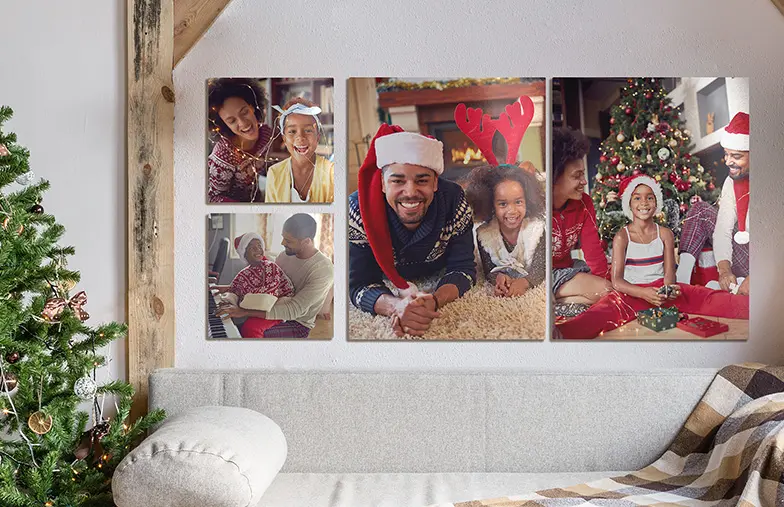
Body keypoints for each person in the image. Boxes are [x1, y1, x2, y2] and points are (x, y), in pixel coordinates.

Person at [556, 175, 749, 339]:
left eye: (649, 198)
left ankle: (758, 307)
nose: (644, 203)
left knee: (707, 297)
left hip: (663, 293)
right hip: (631, 294)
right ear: (629, 204)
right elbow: (617, 280)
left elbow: (669, 274)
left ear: (656, 202)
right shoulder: (622, 236)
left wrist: (667, 290)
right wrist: (643, 293)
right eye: (637, 198)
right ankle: (559, 336)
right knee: (600, 314)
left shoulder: (665, 234)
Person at [349, 125, 476, 337]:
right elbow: (358, 284)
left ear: (436, 182)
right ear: (382, 183)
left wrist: (433, 301)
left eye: (422, 180)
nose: (410, 192)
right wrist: (395, 307)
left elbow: (464, 269)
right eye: (397, 181)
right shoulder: (357, 209)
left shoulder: (454, 199)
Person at [676, 112, 750, 295]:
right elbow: (723, 229)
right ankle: (681, 281)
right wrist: (724, 271)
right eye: (726, 154)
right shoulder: (731, 182)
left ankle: (742, 287)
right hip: (746, 255)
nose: (728, 162)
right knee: (700, 209)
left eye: (737, 156)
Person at [551, 127, 611, 309]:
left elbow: (593, 252)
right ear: (555, 178)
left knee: (608, 290)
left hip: (568, 267)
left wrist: (605, 283)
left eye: (583, 174)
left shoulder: (584, 203)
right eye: (577, 176)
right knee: (605, 292)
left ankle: (555, 302)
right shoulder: (539, 206)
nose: (584, 181)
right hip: (541, 274)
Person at [465, 163, 546, 297]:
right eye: (503, 204)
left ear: (528, 201)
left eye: (518, 202)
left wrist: (525, 282)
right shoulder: (484, 235)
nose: (512, 211)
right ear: (491, 205)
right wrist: (498, 278)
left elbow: (541, 267)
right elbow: (489, 269)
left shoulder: (536, 229)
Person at [216, 232, 295, 337]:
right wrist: (227, 300)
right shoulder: (244, 273)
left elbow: (268, 297)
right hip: (257, 309)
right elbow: (235, 290)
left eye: (259, 246)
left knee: (250, 327)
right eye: (251, 248)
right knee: (231, 319)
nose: (257, 249)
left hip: (276, 308)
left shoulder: (270, 266)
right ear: (244, 253)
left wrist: (241, 307)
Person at [207, 78, 273, 203]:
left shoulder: (266, 133)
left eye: (244, 112)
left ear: (252, 107)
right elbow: (214, 198)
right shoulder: (224, 154)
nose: (243, 123)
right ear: (224, 125)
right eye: (232, 121)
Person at [265, 98, 334, 203]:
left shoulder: (332, 172)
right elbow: (271, 215)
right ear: (284, 139)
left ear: (318, 137)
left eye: (308, 130)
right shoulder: (274, 173)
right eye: (292, 131)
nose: (300, 137)